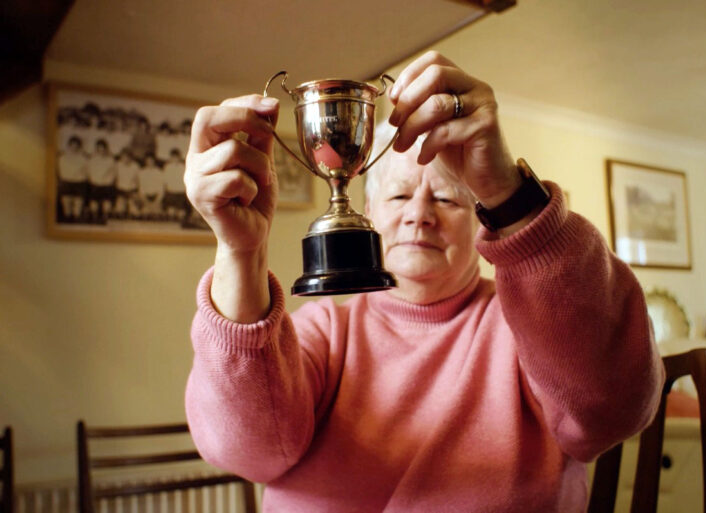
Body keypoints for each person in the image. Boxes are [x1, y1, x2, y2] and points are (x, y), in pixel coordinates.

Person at [183, 51, 664, 512]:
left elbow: (615, 409)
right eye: (398, 197)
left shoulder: (528, 326)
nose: (419, 217)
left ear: (481, 218)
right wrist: (240, 253)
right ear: (367, 212)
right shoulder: (323, 331)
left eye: (449, 201)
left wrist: (506, 192)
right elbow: (247, 453)